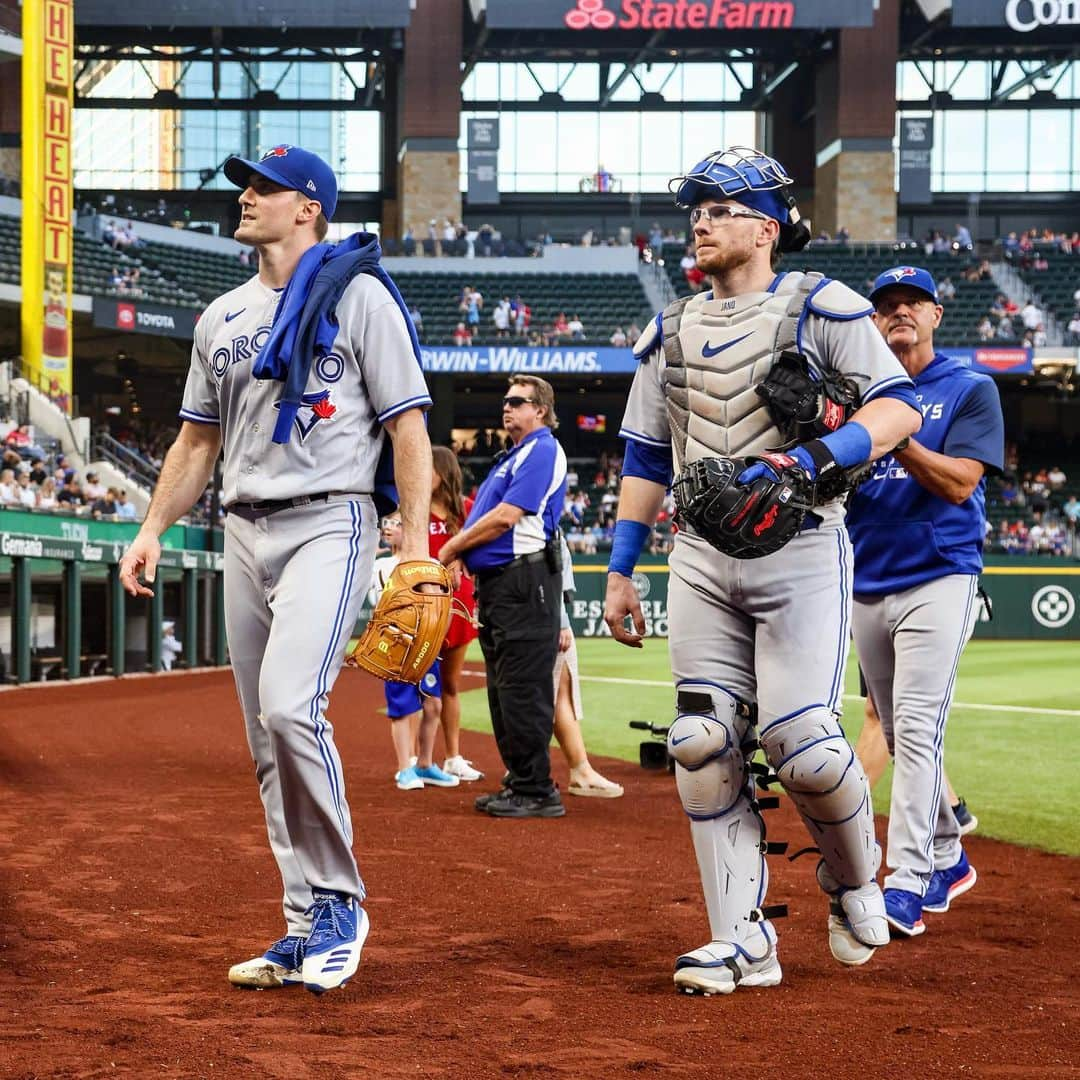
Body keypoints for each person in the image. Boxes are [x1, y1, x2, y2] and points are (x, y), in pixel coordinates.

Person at [602, 147, 922, 995]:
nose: (700, 221)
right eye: (696, 208)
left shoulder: (825, 306)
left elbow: (899, 407)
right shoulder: (668, 326)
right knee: (700, 743)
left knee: (807, 749)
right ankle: (741, 939)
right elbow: (644, 452)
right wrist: (623, 568)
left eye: (719, 206)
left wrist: (810, 457)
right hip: (700, 557)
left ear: (766, 225)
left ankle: (855, 878)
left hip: (804, 546)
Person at [118, 144, 435, 995]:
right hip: (241, 529)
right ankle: (300, 923)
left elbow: (409, 428)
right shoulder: (221, 316)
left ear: (310, 208)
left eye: (264, 187)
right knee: (265, 742)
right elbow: (195, 443)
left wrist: (413, 547)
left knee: (293, 709)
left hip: (331, 519)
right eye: (244, 186)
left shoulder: (359, 296)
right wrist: (152, 526)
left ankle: (340, 903)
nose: (246, 196)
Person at [847, 265, 1003, 938]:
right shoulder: (858, 397)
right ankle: (948, 853)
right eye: (887, 304)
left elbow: (962, 484)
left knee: (912, 728)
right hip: (866, 579)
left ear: (937, 314)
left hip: (939, 574)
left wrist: (892, 435)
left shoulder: (968, 388)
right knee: (893, 718)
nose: (899, 312)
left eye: (912, 302)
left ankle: (906, 881)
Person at [437, 376, 568, 819]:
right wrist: (463, 558)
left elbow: (506, 518)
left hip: (524, 583)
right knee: (504, 691)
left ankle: (536, 790)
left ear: (541, 411)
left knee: (522, 690)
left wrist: (453, 548)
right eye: (506, 402)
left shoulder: (542, 449)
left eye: (518, 402)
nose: (507, 409)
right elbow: (487, 519)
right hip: (502, 585)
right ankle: (520, 780)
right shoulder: (512, 457)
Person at [369, 512, 459, 791]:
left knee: (433, 704)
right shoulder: (382, 566)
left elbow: (444, 602)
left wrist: (437, 637)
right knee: (401, 707)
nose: (389, 528)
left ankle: (425, 763)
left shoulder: (431, 564)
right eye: (388, 523)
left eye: (397, 524)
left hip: (425, 646)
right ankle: (403, 769)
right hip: (397, 645)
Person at [429, 446, 484, 782]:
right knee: (418, 685)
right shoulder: (414, 510)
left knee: (450, 684)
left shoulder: (466, 510)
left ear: (444, 472)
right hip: (423, 609)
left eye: (429, 468)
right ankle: (413, 759)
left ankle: (452, 756)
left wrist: (462, 562)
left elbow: (481, 553)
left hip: (461, 607)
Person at [553, 533, 623, 798]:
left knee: (538, 693)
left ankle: (519, 768)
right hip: (547, 611)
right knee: (561, 693)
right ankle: (580, 771)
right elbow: (552, 564)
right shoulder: (542, 507)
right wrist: (561, 620)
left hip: (520, 608)